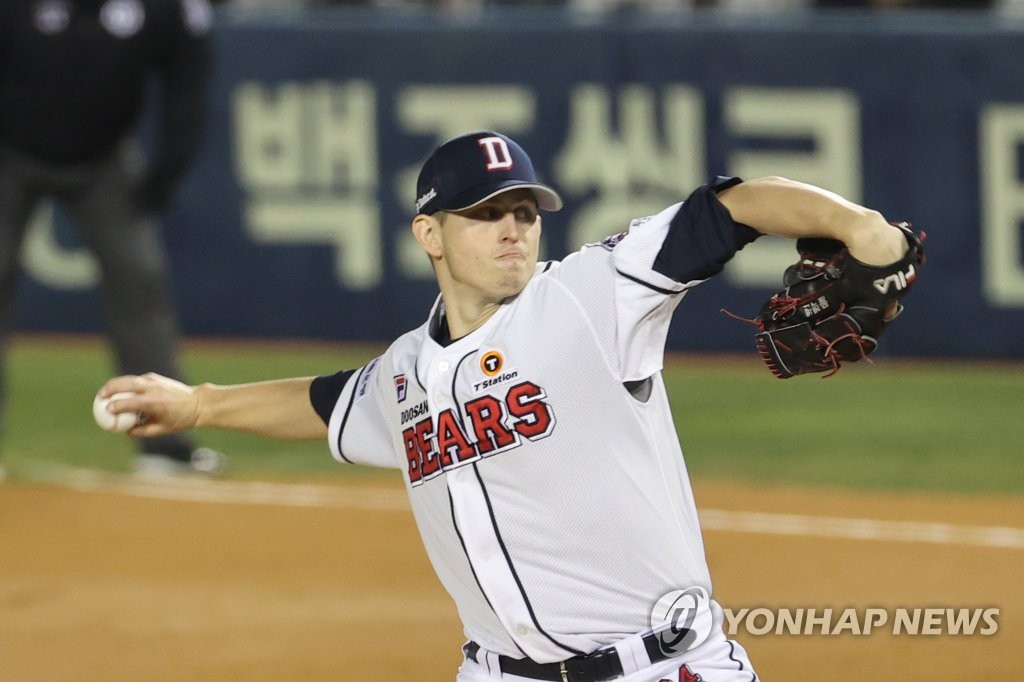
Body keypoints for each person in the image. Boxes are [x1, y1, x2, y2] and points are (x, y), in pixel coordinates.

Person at [98, 131, 912, 680]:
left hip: (664, 666)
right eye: (487, 214)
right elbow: (327, 403)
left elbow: (731, 207)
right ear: (430, 234)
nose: (514, 229)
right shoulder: (407, 373)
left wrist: (863, 227)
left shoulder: (594, 296)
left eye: (524, 212)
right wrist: (197, 404)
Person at [0, 0, 224, 478]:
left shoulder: (162, 9)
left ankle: (166, 444)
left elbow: (188, 76)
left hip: (104, 158)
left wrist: (169, 168)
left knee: (139, 281)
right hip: (8, 150)